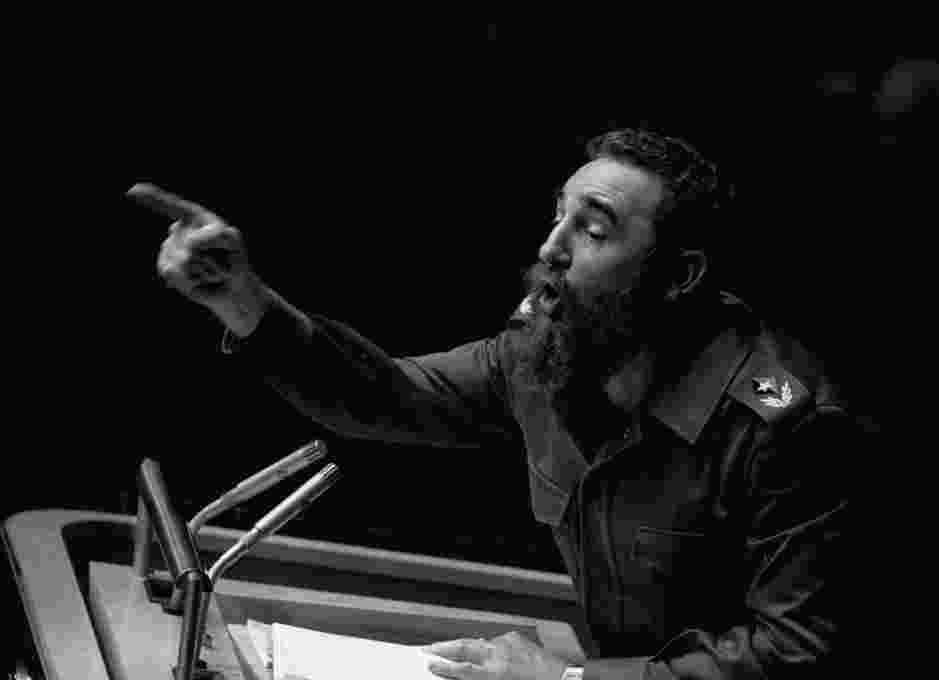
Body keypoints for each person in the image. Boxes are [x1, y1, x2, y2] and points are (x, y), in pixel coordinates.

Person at [129, 129, 867, 679]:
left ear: (680, 276)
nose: (551, 247)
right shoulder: (546, 354)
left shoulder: (786, 428)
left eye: (593, 227)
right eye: (558, 215)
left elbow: (797, 655)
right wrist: (242, 299)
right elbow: (387, 395)